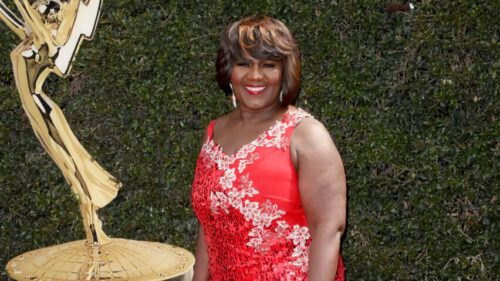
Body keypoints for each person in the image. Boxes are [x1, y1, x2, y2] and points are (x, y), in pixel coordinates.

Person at [191, 16, 346, 281]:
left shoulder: (307, 135)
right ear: (228, 70)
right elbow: (209, 225)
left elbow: (328, 229)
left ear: (284, 72)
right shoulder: (213, 132)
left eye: (268, 65)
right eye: (243, 64)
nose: (255, 75)